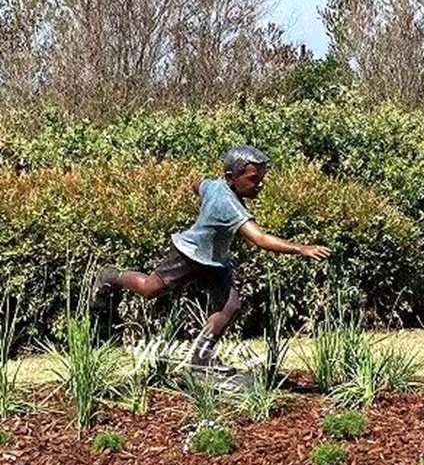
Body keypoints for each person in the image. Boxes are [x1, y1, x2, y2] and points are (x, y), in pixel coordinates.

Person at [90, 145, 331, 369]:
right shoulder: (229, 205)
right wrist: (301, 248)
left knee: (230, 306)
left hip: (215, 261)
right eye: (253, 179)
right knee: (150, 289)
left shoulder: (216, 186)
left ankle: (201, 356)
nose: (260, 185)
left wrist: (196, 190)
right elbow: (260, 239)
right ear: (231, 178)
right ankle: (111, 275)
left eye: (262, 179)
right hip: (189, 254)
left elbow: (199, 185)